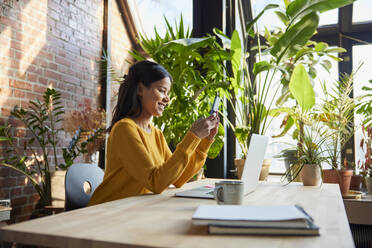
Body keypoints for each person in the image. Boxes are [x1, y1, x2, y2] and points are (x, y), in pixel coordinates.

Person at [89, 60, 219, 205]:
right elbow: (155, 182)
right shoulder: (124, 128)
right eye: (162, 90)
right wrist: (193, 135)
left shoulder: (156, 134)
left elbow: (179, 178)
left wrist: (204, 142)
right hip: (107, 211)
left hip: (134, 210)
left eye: (167, 93)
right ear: (140, 89)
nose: (167, 99)